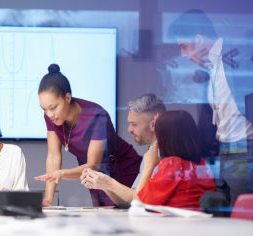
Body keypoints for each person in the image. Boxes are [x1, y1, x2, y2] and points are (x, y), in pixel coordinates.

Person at [168, 10, 253, 210]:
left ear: (198, 39)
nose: (183, 55)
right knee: (220, 216)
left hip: (249, 151)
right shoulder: (208, 69)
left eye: (184, 47)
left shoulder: (243, 50)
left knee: (243, 220)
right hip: (223, 154)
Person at [35, 64, 142, 207]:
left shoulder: (96, 115)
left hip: (122, 169)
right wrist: (48, 199)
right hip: (94, 175)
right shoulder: (50, 116)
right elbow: (54, 156)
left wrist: (61, 174)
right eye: (44, 109)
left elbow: (93, 165)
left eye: (53, 108)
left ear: (67, 97)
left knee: (126, 216)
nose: (49, 114)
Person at [80, 94, 166, 208]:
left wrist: (108, 182)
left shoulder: (162, 154)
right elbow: (129, 201)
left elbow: (138, 199)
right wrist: (104, 185)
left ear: (153, 124)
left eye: (134, 124)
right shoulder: (150, 154)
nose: (129, 129)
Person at [135, 110, 215, 209]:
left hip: (173, 223)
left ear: (164, 138)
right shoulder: (202, 164)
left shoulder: (173, 165)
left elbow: (138, 203)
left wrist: (148, 166)